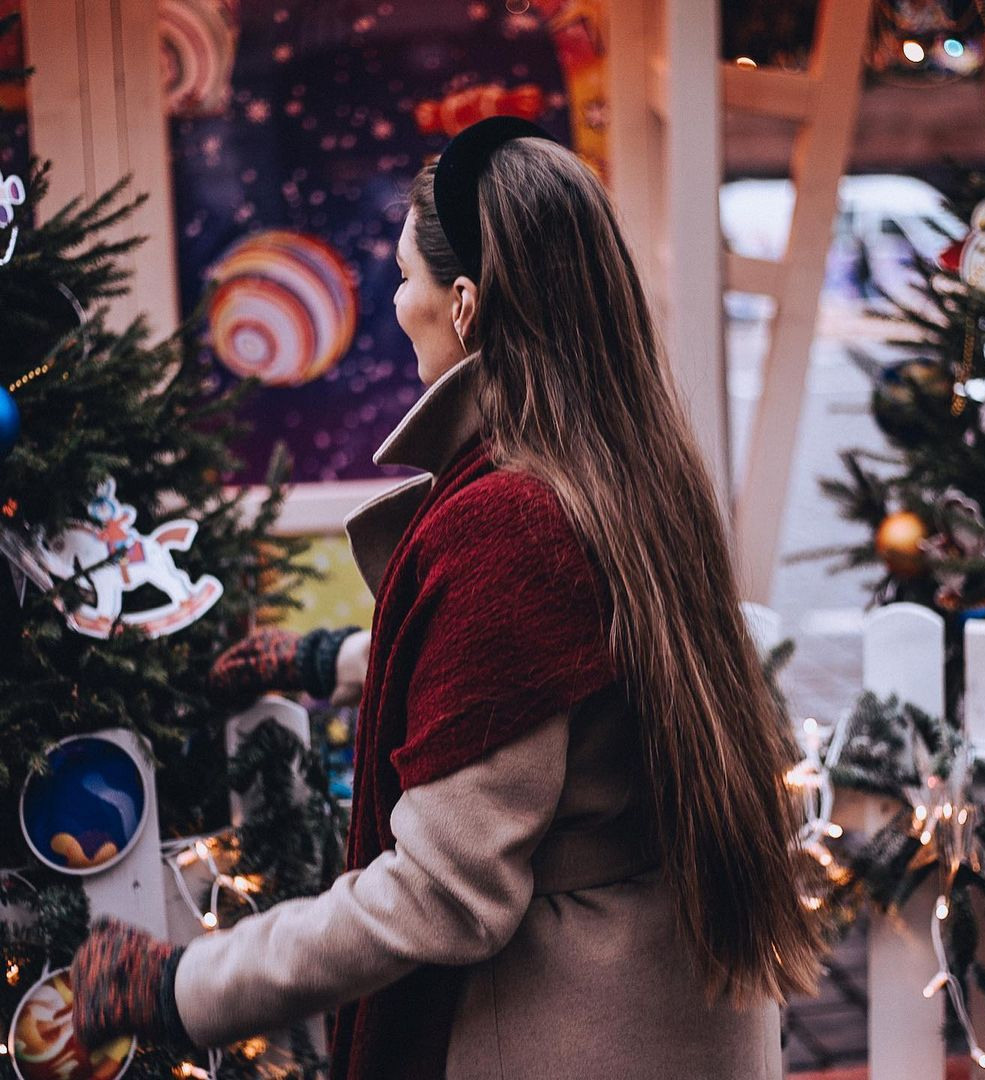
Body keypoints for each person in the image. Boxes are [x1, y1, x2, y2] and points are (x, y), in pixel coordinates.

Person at [70, 116, 822, 1080]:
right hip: (685, 1012)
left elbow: (442, 891)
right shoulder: (626, 472)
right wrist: (331, 659)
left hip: (574, 1034)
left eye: (402, 277)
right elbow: (560, 675)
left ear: (463, 304)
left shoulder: (510, 522)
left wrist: (184, 985)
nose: (395, 302)